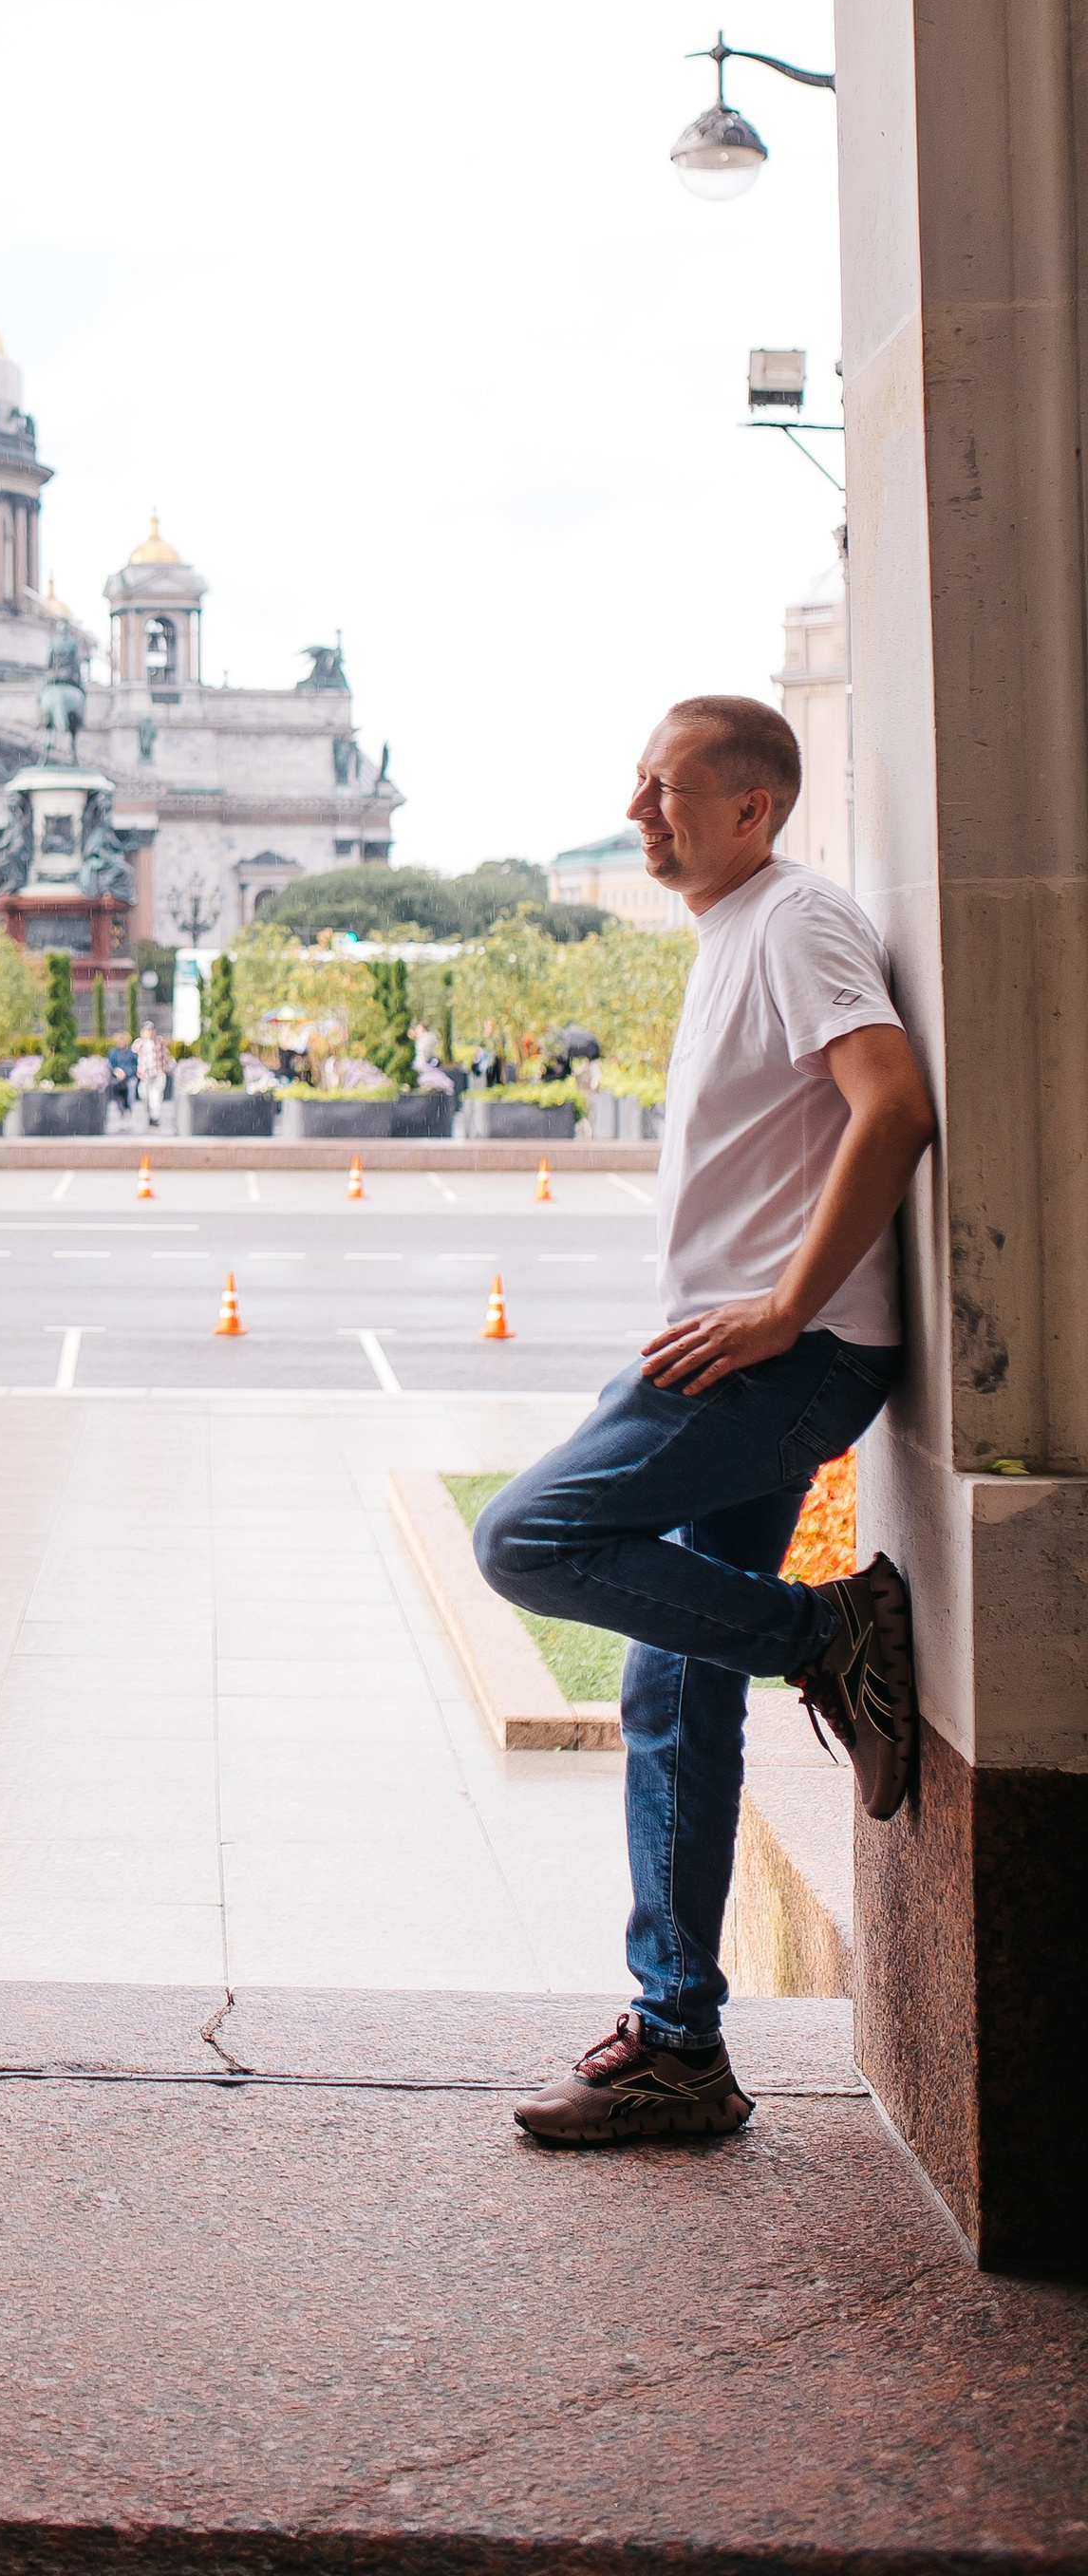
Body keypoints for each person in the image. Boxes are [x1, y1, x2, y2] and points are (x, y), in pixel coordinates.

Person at [475, 697, 932, 2148]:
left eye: (666, 789)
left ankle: (828, 1635)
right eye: (638, 785)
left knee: (525, 1538)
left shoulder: (795, 921)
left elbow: (894, 1105)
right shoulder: (737, 927)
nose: (638, 812)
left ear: (752, 809)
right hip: (741, 1354)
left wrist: (786, 1309)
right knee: (674, 1684)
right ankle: (679, 2047)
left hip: (779, 1361)